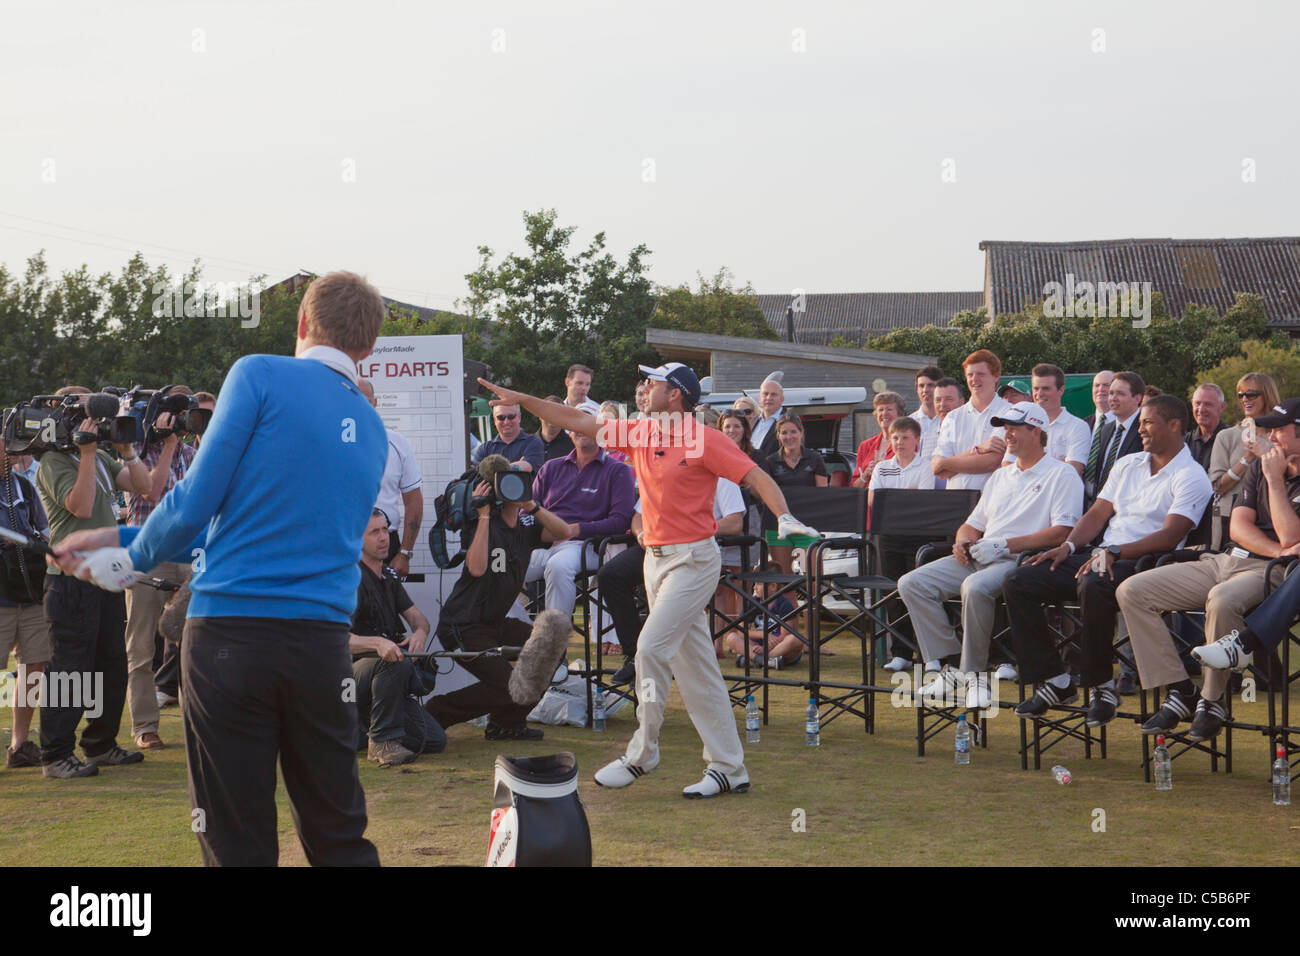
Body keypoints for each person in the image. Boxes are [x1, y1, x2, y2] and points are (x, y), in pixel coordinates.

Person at [56, 271, 392, 864]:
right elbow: (247, 529)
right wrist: (125, 537)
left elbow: (194, 505)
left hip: (231, 637)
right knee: (339, 835)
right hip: (321, 649)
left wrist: (127, 558)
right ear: (366, 348)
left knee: (236, 840)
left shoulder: (259, 372)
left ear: (301, 323)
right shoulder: (371, 425)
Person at [477, 361, 818, 798]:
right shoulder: (640, 431)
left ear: (674, 394)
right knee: (698, 671)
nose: (645, 387)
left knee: (650, 649)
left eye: (653, 382)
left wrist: (785, 516)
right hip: (655, 563)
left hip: (693, 561)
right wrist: (521, 399)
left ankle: (642, 754)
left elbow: (755, 476)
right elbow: (577, 419)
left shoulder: (703, 438)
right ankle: (730, 767)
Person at [1005, 396, 1213, 725]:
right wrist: (1069, 547)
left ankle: (1101, 686)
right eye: (1141, 423)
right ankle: (1056, 681)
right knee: (1021, 579)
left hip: (1147, 562)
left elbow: (1171, 536)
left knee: (1094, 582)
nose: (1140, 429)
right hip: (1103, 554)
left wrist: (1115, 552)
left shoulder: (1191, 475)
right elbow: (1098, 512)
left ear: (1174, 426)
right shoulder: (1128, 464)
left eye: (1148, 423)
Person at [1118, 397, 1300, 743]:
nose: (1270, 437)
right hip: (1229, 558)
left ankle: (1212, 700)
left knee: (1221, 599)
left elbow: (1294, 535)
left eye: (1279, 429)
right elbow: (1239, 528)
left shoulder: (1271, 472)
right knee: (1133, 590)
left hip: (1272, 573)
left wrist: (1275, 482)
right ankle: (1180, 689)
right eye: (1269, 429)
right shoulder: (1263, 468)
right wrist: (1280, 548)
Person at [899, 402, 1083, 709]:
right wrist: (962, 542)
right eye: (1005, 428)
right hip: (981, 557)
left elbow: (1061, 532)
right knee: (911, 583)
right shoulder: (1000, 477)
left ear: (1036, 431)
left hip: (1021, 562)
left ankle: (974, 676)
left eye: (1014, 428)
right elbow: (972, 525)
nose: (1007, 435)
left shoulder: (1062, 474)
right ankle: (951, 664)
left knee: (975, 587)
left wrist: (1004, 545)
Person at [37, 385, 150, 779]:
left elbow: (145, 486)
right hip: (68, 581)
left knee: (110, 664)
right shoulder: (53, 461)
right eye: (85, 414)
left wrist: (128, 452)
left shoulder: (101, 455)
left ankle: (100, 744)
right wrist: (85, 454)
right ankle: (55, 754)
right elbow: (80, 506)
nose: (94, 422)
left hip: (102, 577)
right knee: (69, 667)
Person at [424, 456, 574, 739]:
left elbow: (564, 532)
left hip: (494, 622)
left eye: (519, 482)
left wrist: (531, 504)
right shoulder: (484, 524)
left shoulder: (527, 526)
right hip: (463, 625)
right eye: (507, 484)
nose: (514, 489)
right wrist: (481, 515)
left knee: (551, 647)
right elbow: (477, 568)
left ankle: (506, 724)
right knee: (509, 684)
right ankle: (436, 712)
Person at [122, 386, 200, 752]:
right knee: (141, 646)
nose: (183, 423)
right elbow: (151, 493)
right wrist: (167, 445)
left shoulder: (195, 454)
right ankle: (144, 726)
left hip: (187, 555)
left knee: (196, 641)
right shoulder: (134, 451)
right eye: (177, 414)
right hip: (147, 554)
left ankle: (199, 721)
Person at [348, 509, 443, 767]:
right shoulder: (348, 579)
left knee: (435, 741)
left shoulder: (388, 576)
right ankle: (382, 743)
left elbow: (418, 619)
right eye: (374, 532)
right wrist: (378, 643)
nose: (383, 538)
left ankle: (358, 731)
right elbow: (334, 638)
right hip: (346, 679)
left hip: (384, 680)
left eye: (385, 530)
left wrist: (420, 634)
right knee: (393, 662)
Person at [525, 426, 636, 623]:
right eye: (576, 425)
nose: (581, 429)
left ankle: (554, 648)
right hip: (543, 544)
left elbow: (620, 522)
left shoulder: (618, 470)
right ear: (570, 432)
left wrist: (575, 530)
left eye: (587, 423)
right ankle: (522, 631)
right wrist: (542, 534)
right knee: (497, 566)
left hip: (587, 546)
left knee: (558, 566)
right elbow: (525, 512)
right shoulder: (551, 467)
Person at [868, 417, 936, 673]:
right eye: (895, 437)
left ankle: (930, 654)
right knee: (893, 595)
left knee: (920, 593)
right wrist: (906, 497)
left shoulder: (926, 466)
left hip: (918, 539)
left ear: (917, 440)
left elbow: (922, 503)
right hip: (889, 538)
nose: (899, 442)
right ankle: (901, 653)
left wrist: (900, 501)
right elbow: (876, 502)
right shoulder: (882, 468)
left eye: (905, 437)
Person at [0, 450, 50, 770]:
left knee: (33, 669)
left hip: (31, 592)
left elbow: (44, 531)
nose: (8, 453)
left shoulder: (24, 487)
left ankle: (19, 744)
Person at [357, 379, 424, 578]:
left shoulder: (395, 442)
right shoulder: (329, 442)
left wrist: (405, 552)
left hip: (385, 543)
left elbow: (413, 500)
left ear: (375, 404)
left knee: (386, 608)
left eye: (366, 402)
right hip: (343, 545)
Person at [1208, 373, 1279, 551]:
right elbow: (1217, 487)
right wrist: (1247, 458)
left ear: (1267, 395)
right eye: (1240, 395)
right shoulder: (1226, 436)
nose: (1245, 399)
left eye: (1251, 394)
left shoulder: (1281, 437)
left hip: (1273, 522)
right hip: (1229, 522)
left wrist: (1265, 451)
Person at [931, 349, 1013, 492]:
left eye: (981, 374)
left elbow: (991, 462)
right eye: (970, 374)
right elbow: (938, 469)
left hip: (992, 503)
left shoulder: (1009, 413)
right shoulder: (952, 417)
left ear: (996, 377)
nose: (974, 379)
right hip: (955, 503)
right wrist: (979, 449)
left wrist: (947, 463)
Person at [762, 414, 828, 574]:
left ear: (801, 433)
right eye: (784, 433)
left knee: (813, 577)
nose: (789, 436)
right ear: (778, 436)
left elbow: (823, 493)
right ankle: (789, 601)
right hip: (777, 527)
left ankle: (812, 600)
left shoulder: (814, 459)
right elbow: (766, 493)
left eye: (793, 432)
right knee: (784, 579)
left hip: (808, 525)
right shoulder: (770, 461)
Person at [1017, 363, 1091, 475]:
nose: (1039, 394)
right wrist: (1059, 463)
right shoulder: (1021, 424)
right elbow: (1008, 465)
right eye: (1036, 388)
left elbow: (1073, 471)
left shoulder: (1078, 427)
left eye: (1046, 388)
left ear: (1061, 390)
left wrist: (1029, 465)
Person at [1085, 371, 1144, 501]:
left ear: (1137, 398)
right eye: (1111, 393)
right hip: (1098, 508)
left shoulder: (1146, 429)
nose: (1113, 398)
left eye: (1120, 394)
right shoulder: (1105, 430)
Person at [473, 402, 545, 472]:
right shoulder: (485, 449)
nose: (506, 422)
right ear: (495, 420)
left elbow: (529, 466)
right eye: (501, 417)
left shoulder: (533, 442)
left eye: (511, 417)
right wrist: (517, 466)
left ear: (519, 417)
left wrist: (490, 470)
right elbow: (475, 476)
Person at [851, 392, 903, 487]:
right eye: (880, 410)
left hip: (893, 497)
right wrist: (865, 475)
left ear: (899, 414)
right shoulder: (865, 446)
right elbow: (854, 486)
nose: (884, 413)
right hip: (868, 499)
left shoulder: (906, 443)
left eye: (889, 409)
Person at [750, 376, 787, 459]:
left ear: (782, 399)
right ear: (759, 398)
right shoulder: (751, 422)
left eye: (773, 394)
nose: (769, 398)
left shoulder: (789, 422)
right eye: (765, 394)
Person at [910, 365, 944, 449]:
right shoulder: (910, 422)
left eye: (930, 385)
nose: (925, 390)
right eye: (921, 386)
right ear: (917, 389)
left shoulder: (951, 419)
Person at [535, 394, 576, 462]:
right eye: (549, 412)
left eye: (558, 413)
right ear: (540, 415)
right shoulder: (528, 444)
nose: (553, 417)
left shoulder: (574, 446)